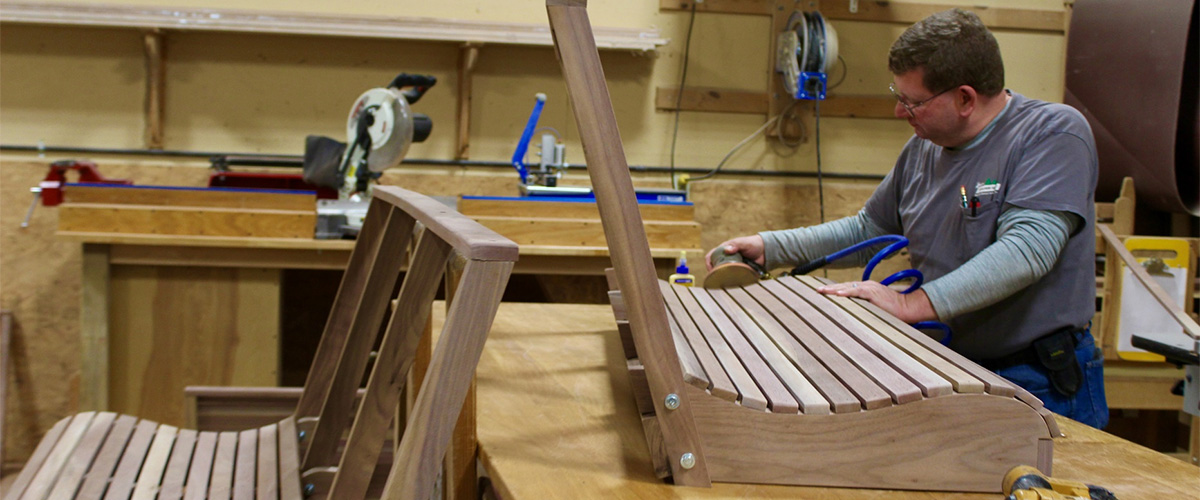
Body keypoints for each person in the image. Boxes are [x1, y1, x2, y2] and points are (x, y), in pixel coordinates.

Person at [708, 9, 1108, 428]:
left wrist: (907, 304)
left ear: (965, 98)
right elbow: (868, 229)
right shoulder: (924, 148)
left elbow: (1027, 250)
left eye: (911, 102)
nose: (900, 113)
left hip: (1039, 380)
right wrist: (771, 248)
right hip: (953, 366)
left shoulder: (1051, 134)